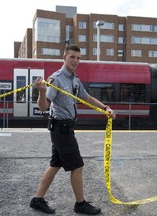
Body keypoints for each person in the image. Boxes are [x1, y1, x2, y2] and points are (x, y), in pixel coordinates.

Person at [30, 44, 116, 215]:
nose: (76, 61)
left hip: (65, 128)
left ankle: (37, 200)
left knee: (55, 164)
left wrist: (105, 107)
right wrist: (41, 92)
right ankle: (80, 204)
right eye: (72, 57)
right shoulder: (56, 79)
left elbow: (87, 98)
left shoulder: (74, 79)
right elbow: (43, 107)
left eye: (78, 58)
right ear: (64, 57)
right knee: (77, 166)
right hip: (60, 129)